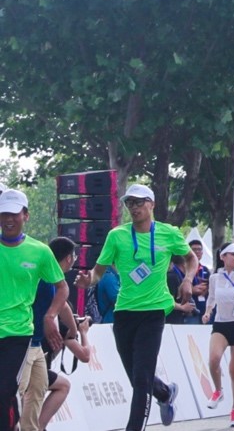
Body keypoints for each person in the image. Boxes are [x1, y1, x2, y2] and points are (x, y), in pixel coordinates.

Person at [76, 183, 191, 430]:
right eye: (130, 203)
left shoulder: (168, 233)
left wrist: (188, 280)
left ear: (152, 204)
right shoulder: (116, 236)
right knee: (136, 377)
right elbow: (98, 271)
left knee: (141, 379)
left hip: (154, 312)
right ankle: (164, 393)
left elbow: (191, 258)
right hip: (124, 313)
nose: (134, 207)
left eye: (139, 202)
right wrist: (88, 281)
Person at [15, 235, 76, 431]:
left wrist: (70, 327)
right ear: (69, 258)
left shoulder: (52, 278)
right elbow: (62, 305)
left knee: (38, 389)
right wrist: (73, 329)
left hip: (36, 345)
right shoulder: (42, 276)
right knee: (17, 392)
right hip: (23, 342)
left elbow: (62, 300)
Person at [203, 243, 234, 427]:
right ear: (223, 257)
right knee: (214, 359)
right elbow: (211, 297)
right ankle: (218, 390)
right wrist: (207, 312)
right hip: (221, 324)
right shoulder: (215, 278)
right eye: (232, 254)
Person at [187, 239, 211, 323]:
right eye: (194, 249)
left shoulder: (205, 269)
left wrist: (207, 289)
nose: (197, 252)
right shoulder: (185, 269)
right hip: (190, 310)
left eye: (199, 249)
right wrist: (191, 290)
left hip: (204, 309)